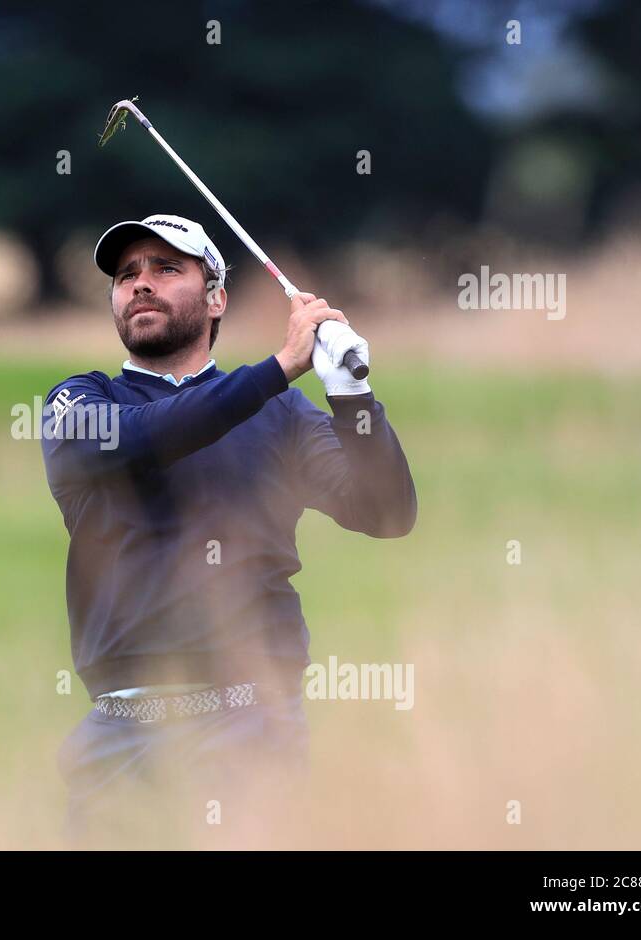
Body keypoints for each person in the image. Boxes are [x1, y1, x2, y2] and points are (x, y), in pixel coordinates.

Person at [39, 213, 417, 847]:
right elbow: (146, 439)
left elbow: (386, 513)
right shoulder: (80, 402)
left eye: (166, 268)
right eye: (127, 274)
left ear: (216, 297)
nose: (141, 284)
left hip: (250, 719)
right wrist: (278, 369)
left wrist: (353, 394)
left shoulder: (280, 414)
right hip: (121, 727)